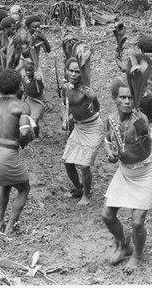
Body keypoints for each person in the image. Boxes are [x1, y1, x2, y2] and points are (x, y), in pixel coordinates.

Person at [102, 79, 152, 274]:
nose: (126, 101)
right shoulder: (111, 119)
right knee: (107, 215)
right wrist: (110, 153)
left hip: (144, 172)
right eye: (122, 97)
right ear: (115, 99)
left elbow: (147, 147)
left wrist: (144, 132)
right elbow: (108, 140)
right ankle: (124, 243)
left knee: (137, 222)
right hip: (124, 172)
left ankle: (137, 255)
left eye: (130, 97)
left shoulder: (141, 120)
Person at [0, 69, 33, 235]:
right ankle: (11, 225)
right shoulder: (22, 106)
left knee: (5, 186)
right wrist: (25, 141)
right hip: (6, 153)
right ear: (19, 85)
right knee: (24, 188)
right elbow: (25, 132)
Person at [61, 58, 103, 205]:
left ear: (82, 73)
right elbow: (65, 104)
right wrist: (66, 118)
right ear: (66, 71)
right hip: (78, 128)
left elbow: (96, 109)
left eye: (77, 71)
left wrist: (94, 98)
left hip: (93, 128)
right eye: (71, 70)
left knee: (84, 165)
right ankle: (78, 188)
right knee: (68, 161)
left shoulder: (86, 91)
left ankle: (86, 195)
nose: (73, 74)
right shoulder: (66, 88)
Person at [21, 62, 45, 138]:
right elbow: (25, 91)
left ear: (34, 70)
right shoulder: (24, 78)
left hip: (38, 100)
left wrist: (39, 81)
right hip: (29, 99)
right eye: (26, 70)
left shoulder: (37, 79)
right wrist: (22, 100)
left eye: (30, 70)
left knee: (35, 121)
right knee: (25, 118)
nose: (28, 72)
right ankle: (28, 135)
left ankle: (36, 135)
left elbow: (41, 89)